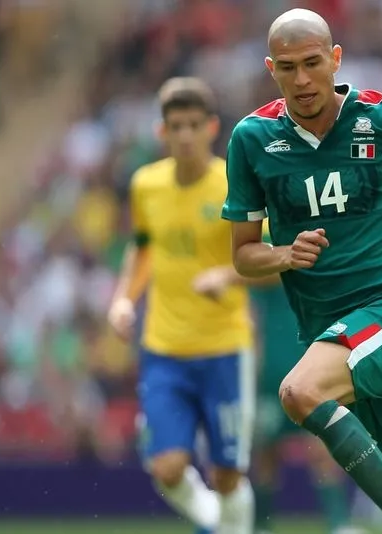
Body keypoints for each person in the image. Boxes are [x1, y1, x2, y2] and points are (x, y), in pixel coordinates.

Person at [221, 8, 382, 534]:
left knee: (300, 392)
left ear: (335, 58)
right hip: (333, 335)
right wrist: (283, 254)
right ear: (272, 69)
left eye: (312, 63)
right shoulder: (252, 140)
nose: (302, 79)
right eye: (287, 68)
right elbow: (245, 253)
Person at [108, 77, 256, 534]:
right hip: (163, 349)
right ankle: (225, 527)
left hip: (225, 348)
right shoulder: (146, 185)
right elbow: (143, 248)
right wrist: (123, 300)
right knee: (167, 468)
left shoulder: (234, 183)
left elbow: (274, 260)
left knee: (227, 474)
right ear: (162, 132)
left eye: (195, 125)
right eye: (177, 126)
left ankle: (228, 525)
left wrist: (226, 275)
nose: (186, 135)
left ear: (212, 128)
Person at [250, 222, 362, 534]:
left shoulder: (318, 229)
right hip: (271, 361)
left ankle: (339, 523)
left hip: (310, 351)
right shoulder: (264, 237)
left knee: (324, 444)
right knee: (267, 451)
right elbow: (250, 276)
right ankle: (261, 525)